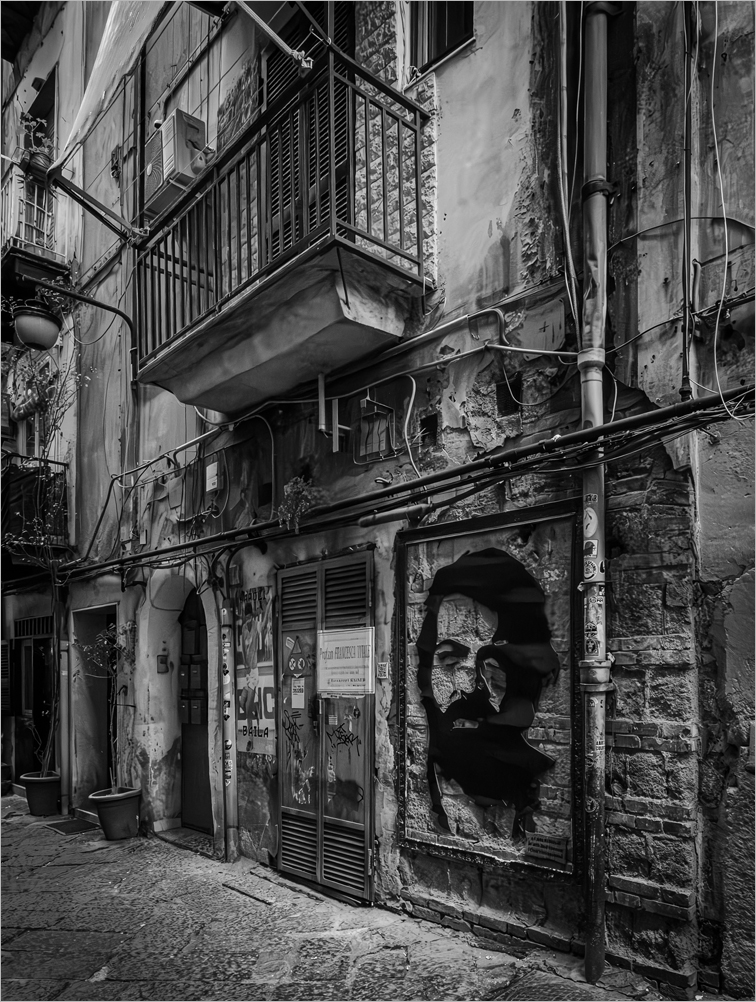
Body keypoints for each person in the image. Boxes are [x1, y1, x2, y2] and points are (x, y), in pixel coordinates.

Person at [415, 547, 560, 840]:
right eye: (450, 660)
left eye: (491, 661)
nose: (473, 682)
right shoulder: (428, 766)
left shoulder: (524, 771)